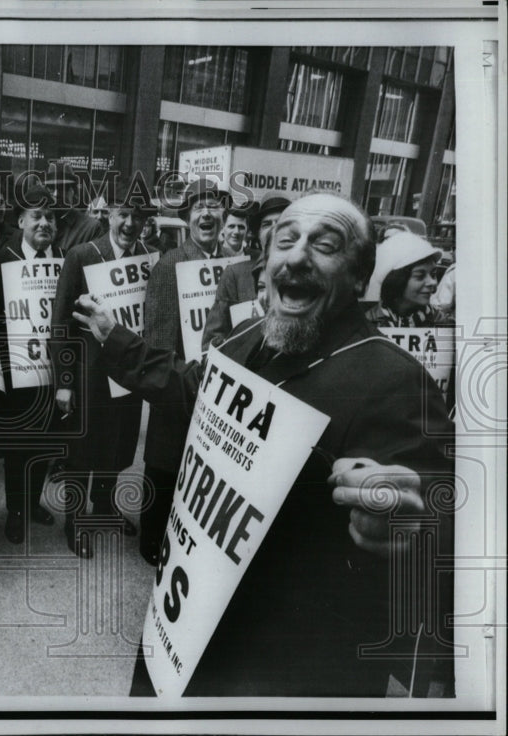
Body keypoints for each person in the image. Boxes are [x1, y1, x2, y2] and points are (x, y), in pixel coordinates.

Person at [73, 191, 454, 697]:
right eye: (286, 240)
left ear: (360, 278)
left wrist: (412, 522)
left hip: (280, 667)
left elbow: (434, 510)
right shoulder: (248, 335)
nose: (296, 256)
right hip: (184, 632)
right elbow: (192, 387)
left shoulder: (395, 381)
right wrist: (115, 338)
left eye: (325, 245)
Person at [48, 180, 157, 558]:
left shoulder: (150, 257)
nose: (130, 223)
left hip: (128, 371)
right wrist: (63, 382)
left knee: (119, 445)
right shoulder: (82, 255)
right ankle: (74, 521)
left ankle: (106, 508)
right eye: (123, 214)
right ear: (109, 214)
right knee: (82, 451)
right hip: (88, 371)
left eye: (137, 216)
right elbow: (60, 323)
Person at [137, 178, 230, 566]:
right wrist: (177, 381)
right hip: (179, 383)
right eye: (198, 207)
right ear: (188, 217)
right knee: (165, 463)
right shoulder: (170, 265)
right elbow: (157, 340)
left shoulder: (235, 266)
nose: (206, 213)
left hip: (220, 387)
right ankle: (152, 538)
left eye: (213, 206)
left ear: (224, 215)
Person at [0, 184, 61, 543]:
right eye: (37, 216)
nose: (44, 223)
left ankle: (32, 502)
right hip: (14, 374)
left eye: (50, 216)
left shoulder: (64, 260)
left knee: (45, 444)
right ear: (21, 221)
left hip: (51, 374)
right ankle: (15, 510)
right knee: (16, 448)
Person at [201, 194, 291, 351]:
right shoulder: (235, 274)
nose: (274, 229)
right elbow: (212, 340)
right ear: (257, 233)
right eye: (267, 224)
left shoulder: (304, 274)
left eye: (281, 223)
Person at [364, 232, 443, 327]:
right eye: (420, 276)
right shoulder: (369, 324)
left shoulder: (439, 320)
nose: (433, 282)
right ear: (397, 281)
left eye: (433, 274)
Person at [41, 160, 105, 254]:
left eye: (62, 188)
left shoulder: (91, 228)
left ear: (73, 191)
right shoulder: (39, 224)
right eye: (51, 188)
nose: (56, 194)